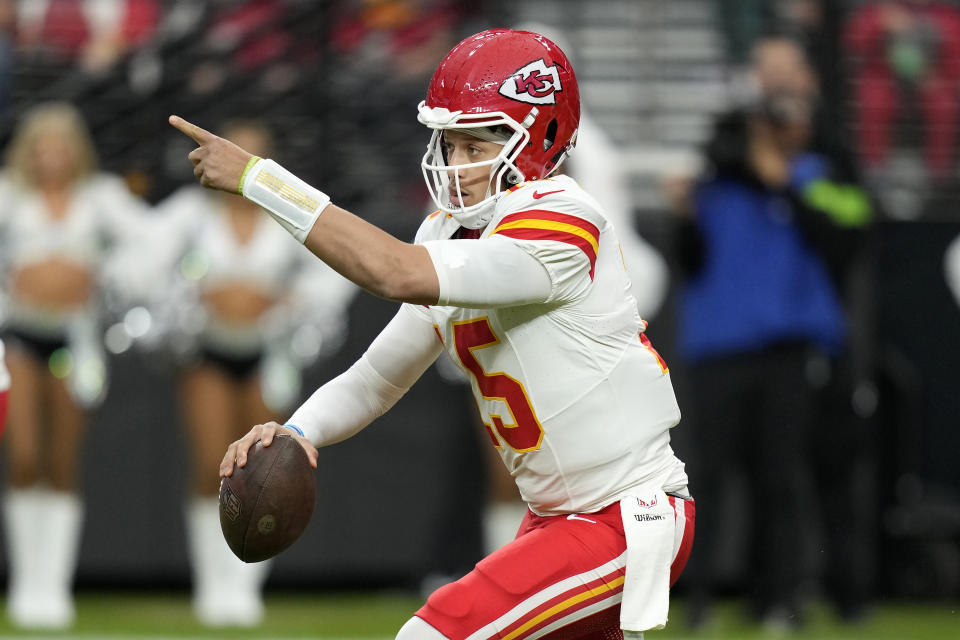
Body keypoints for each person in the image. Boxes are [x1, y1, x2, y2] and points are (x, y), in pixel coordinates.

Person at [170, 28, 694, 640]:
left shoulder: (563, 222)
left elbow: (393, 273)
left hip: (619, 516)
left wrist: (262, 179)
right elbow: (374, 381)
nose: (457, 164)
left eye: (476, 144)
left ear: (540, 138)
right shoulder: (450, 230)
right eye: (450, 143)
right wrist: (296, 432)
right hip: (558, 519)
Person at [669, 36, 873, 631]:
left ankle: (780, 599)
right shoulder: (717, 185)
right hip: (719, 350)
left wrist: (782, 180)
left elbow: (849, 240)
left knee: (782, 481)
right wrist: (688, 209)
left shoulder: (819, 175)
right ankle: (697, 600)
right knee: (704, 478)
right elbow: (693, 257)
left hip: (788, 350)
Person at [147, 119, 356, 627]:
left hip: (268, 353)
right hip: (207, 350)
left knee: (264, 472)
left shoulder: (287, 210)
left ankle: (244, 586)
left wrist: (290, 303)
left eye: (255, 155)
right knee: (209, 464)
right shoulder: (189, 215)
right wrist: (190, 300)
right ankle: (211, 585)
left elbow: (339, 271)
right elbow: (141, 268)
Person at [0, 102, 149, 629]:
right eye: (40, 145)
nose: (50, 156)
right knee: (22, 455)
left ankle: (52, 586)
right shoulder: (9, 195)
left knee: (62, 460)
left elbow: (150, 245)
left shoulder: (101, 198)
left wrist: (98, 274)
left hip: (76, 341)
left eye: (60, 145)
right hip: (17, 337)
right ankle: (24, 582)